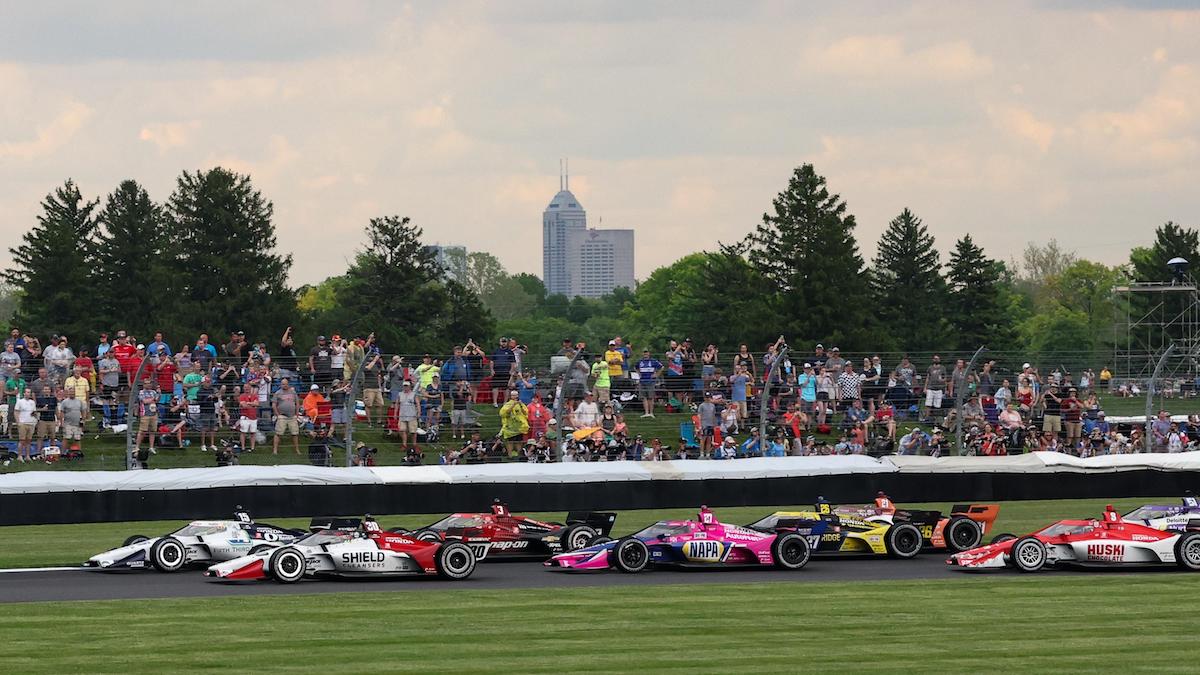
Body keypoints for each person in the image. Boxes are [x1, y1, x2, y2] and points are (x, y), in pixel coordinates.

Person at [272, 378, 301, 455]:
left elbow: (297, 403)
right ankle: (275, 450)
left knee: (295, 433)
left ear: (288, 384)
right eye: (283, 384)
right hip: (282, 416)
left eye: (286, 384)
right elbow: (274, 405)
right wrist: (277, 415)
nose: (284, 385)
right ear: (280, 385)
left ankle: (297, 450)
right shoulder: (277, 393)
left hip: (292, 416)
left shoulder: (293, 392)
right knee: (278, 433)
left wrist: (297, 414)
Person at [499, 390, 529, 457]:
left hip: (519, 427)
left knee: (519, 442)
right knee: (510, 442)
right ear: (511, 396)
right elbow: (504, 413)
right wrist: (513, 405)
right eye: (513, 395)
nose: (515, 396)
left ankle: (519, 456)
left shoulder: (521, 404)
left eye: (516, 395)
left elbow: (525, 413)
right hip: (510, 427)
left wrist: (521, 405)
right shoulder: (507, 404)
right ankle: (510, 456)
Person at [57, 386, 87, 453]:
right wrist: (61, 422)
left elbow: (83, 411)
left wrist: (83, 420)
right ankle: (63, 453)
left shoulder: (79, 401)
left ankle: (79, 452)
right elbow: (61, 412)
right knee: (66, 438)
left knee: (77, 439)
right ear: (68, 393)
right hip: (67, 424)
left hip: (77, 424)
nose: (72, 393)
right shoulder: (64, 402)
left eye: (73, 392)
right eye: (70, 392)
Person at [134, 380, 159, 454]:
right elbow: (144, 401)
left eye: (149, 383)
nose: (148, 385)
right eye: (147, 384)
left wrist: (159, 393)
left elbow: (157, 400)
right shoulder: (141, 392)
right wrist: (153, 399)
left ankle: (151, 447)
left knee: (152, 431)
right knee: (142, 431)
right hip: (145, 414)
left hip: (154, 413)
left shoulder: (153, 392)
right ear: (143, 384)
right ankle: (137, 447)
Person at [636, 349, 662, 417]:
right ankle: (646, 413)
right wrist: (639, 374)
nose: (645, 354)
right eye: (644, 353)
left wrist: (656, 375)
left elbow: (661, 367)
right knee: (644, 397)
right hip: (642, 381)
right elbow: (636, 367)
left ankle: (651, 413)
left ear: (649, 353)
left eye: (646, 352)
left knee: (650, 397)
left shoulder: (653, 361)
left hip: (650, 381)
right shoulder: (640, 361)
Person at [395, 381, 419, 451]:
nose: (405, 387)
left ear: (410, 386)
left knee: (413, 431)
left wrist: (419, 412)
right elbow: (397, 403)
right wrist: (395, 413)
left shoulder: (414, 394)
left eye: (407, 386)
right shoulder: (400, 394)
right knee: (403, 430)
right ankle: (404, 445)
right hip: (402, 415)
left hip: (412, 415)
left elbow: (417, 403)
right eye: (404, 386)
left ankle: (414, 445)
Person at [13, 389, 36, 462]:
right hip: (23, 423)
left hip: (31, 423)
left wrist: (35, 420)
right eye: (27, 392)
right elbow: (16, 412)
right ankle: (19, 456)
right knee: (22, 440)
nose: (28, 394)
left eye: (29, 392)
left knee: (29, 441)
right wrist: (18, 422)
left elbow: (34, 412)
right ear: (24, 393)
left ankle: (27, 456)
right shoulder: (20, 401)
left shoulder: (32, 402)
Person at [237, 383, 259, 452]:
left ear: (250, 388)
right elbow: (243, 405)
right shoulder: (241, 396)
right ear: (243, 388)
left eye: (248, 387)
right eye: (245, 387)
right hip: (245, 417)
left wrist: (249, 403)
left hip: (253, 416)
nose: (246, 388)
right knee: (243, 432)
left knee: (253, 432)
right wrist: (252, 404)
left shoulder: (255, 395)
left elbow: (257, 404)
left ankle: (252, 448)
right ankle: (243, 448)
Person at [696, 394, 718, 459]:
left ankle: (708, 454)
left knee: (709, 439)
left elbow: (713, 415)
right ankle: (702, 454)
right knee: (703, 439)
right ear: (704, 398)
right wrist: (700, 425)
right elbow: (699, 415)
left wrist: (714, 424)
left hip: (711, 424)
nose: (707, 398)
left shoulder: (712, 405)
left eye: (709, 397)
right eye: (706, 397)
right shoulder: (702, 405)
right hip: (704, 424)